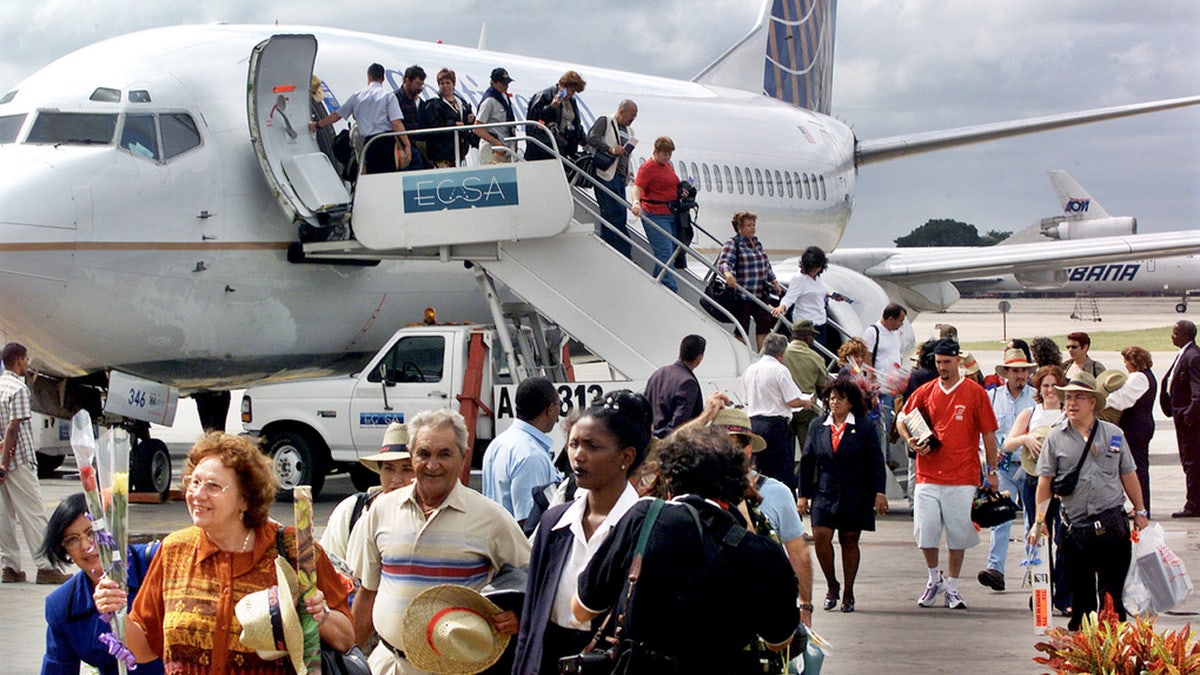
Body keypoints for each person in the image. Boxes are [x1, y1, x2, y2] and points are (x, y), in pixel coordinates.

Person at [94, 433, 354, 671]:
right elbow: (143, 649)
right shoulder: (173, 551)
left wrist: (320, 616)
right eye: (194, 482)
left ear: (245, 498)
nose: (197, 494)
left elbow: (346, 639)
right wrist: (116, 611)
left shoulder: (296, 550)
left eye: (213, 486)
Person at [572, 427, 800, 674]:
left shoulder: (643, 518)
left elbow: (582, 609)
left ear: (669, 479)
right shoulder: (761, 551)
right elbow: (779, 640)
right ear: (737, 486)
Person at [349, 409, 530, 673]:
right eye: (423, 454)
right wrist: (349, 658)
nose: (432, 465)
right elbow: (368, 593)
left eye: (444, 454)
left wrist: (518, 616)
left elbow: (537, 579)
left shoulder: (490, 518)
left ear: (463, 457)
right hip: (389, 665)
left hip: (457, 669)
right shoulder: (381, 510)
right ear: (412, 456)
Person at [512, 390, 649, 675]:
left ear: (626, 456)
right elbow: (531, 619)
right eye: (573, 444)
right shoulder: (554, 523)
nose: (578, 456)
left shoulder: (646, 529)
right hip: (549, 658)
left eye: (592, 446)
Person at [1028, 372, 1149, 631]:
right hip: (1075, 530)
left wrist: (1140, 510)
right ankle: (1083, 657)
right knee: (1081, 600)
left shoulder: (1114, 435)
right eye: (1068, 397)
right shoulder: (1054, 437)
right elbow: (1045, 483)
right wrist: (1039, 521)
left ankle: (1112, 658)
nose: (1071, 403)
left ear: (1092, 402)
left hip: (1112, 525)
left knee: (1112, 599)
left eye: (1078, 397)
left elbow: (1128, 473)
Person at [897, 339, 1000, 610]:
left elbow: (989, 435)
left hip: (963, 475)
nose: (942, 367)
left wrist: (992, 471)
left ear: (958, 361)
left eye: (947, 362)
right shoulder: (925, 391)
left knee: (958, 533)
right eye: (939, 362)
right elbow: (901, 418)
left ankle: (952, 586)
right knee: (925, 531)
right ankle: (934, 577)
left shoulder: (975, 393)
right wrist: (910, 440)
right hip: (928, 473)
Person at [40, 493, 164, 675]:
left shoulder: (156, 562)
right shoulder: (62, 605)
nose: (85, 545)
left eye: (92, 532)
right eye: (72, 539)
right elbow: (57, 668)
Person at [799, 376, 888, 613]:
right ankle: (832, 585)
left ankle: (848, 591)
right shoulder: (818, 425)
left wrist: (880, 491)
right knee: (821, 536)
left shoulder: (865, 427)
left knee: (849, 541)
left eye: (840, 398)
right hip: (825, 491)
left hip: (855, 492)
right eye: (831, 398)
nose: (835, 402)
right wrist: (803, 495)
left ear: (851, 402)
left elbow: (876, 462)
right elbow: (807, 462)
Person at [0, 342, 69, 585]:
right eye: (26, 360)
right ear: (18, 360)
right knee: (33, 513)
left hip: (2, 460)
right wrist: (5, 463)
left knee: (4, 515)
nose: (27, 365)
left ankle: (10, 568)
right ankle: (46, 567)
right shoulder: (18, 389)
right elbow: (13, 427)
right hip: (16, 460)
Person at [977, 346, 1037, 593]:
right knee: (1000, 517)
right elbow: (982, 432)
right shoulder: (992, 398)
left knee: (1032, 520)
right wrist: (987, 454)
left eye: (1023, 371)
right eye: (1015, 371)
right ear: (1006, 374)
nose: (1020, 376)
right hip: (1003, 467)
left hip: (1030, 466)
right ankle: (996, 569)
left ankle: (1035, 568)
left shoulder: (1036, 397)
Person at [320, 422, 414, 565]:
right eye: (389, 469)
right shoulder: (351, 510)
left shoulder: (429, 517)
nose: (396, 479)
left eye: (407, 469)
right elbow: (328, 565)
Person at [482, 376, 562, 526]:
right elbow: (529, 522)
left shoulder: (499, 443)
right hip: (519, 546)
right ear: (549, 409)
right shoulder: (530, 455)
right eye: (559, 404)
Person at [744, 333, 814, 494]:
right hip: (774, 425)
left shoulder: (750, 369)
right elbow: (792, 400)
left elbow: (747, 400)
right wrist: (805, 402)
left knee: (757, 470)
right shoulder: (779, 370)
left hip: (753, 423)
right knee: (781, 472)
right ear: (782, 354)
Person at [310, 63, 409, 174]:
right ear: (383, 78)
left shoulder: (357, 96)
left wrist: (317, 125)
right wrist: (406, 144)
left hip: (368, 143)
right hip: (385, 142)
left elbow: (336, 116)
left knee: (370, 176)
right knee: (386, 176)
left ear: (369, 77)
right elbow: (396, 123)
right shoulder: (388, 96)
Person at [716, 211, 782, 348]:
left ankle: (762, 355)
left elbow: (766, 265)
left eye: (753, 225)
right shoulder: (733, 244)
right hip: (742, 295)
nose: (752, 228)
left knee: (764, 325)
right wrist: (728, 274)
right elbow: (724, 263)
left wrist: (774, 282)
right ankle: (743, 352)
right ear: (739, 227)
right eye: (748, 225)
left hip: (759, 293)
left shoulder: (757, 244)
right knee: (742, 327)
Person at [1105, 346, 1157, 517]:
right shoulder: (1148, 376)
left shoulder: (1139, 377)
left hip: (1136, 426)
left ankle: (1141, 507)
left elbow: (1122, 399)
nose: (1125, 365)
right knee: (1139, 464)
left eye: (1126, 361)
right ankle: (1141, 505)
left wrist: (1101, 402)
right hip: (1142, 425)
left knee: (1136, 466)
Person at [586, 99, 638, 258]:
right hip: (606, 174)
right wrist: (611, 149)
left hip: (620, 177)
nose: (632, 119)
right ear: (621, 111)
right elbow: (592, 138)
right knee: (611, 212)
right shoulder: (606, 122)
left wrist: (627, 171)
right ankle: (619, 251)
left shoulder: (630, 131)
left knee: (620, 213)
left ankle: (618, 249)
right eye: (631, 115)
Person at [630, 136, 683, 292]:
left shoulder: (667, 166)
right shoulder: (647, 168)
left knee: (670, 252)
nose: (667, 158)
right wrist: (636, 202)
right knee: (664, 252)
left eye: (669, 155)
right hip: (655, 214)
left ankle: (656, 285)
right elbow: (637, 187)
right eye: (664, 154)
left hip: (670, 214)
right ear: (655, 151)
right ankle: (669, 288)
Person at [772, 246, 847, 350]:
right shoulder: (799, 279)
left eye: (818, 267)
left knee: (821, 353)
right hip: (807, 325)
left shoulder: (817, 278)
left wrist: (830, 294)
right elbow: (790, 297)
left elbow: (815, 292)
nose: (815, 270)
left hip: (820, 321)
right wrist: (782, 307)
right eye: (813, 267)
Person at [1161, 320, 1200, 517]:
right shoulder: (1185, 353)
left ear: (1185, 335)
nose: (1172, 336)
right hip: (1181, 415)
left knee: (1192, 460)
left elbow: (1198, 391)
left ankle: (1193, 504)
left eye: (1175, 333)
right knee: (1189, 459)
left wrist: (1188, 416)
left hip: (1189, 421)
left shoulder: (1193, 356)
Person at [644, 334, 705, 438]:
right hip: (671, 444)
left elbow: (644, 406)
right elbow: (679, 424)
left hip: (650, 437)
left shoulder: (659, 373)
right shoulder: (688, 382)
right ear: (699, 358)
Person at [782, 319, 828, 455]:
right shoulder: (816, 358)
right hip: (807, 409)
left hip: (784, 407)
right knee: (809, 452)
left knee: (785, 454)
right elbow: (822, 385)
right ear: (807, 337)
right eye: (812, 336)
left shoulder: (782, 354)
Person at [525, 70, 587, 161]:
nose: (572, 94)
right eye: (572, 90)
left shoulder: (571, 101)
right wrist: (551, 108)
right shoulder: (544, 96)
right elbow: (533, 123)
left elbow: (575, 124)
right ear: (563, 86)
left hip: (564, 148)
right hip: (546, 149)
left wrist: (584, 141)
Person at [418, 68, 475, 168]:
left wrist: (470, 120)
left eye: (448, 83)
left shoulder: (461, 102)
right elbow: (433, 126)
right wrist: (453, 124)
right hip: (442, 154)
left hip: (460, 152)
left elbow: (465, 123)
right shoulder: (434, 104)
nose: (445, 86)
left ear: (453, 84)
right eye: (442, 83)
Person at [474, 67, 517, 164]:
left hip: (506, 148)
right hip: (492, 149)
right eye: (503, 84)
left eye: (507, 84)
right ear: (493, 82)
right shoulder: (489, 101)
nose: (506, 87)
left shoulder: (504, 98)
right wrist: (495, 142)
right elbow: (477, 128)